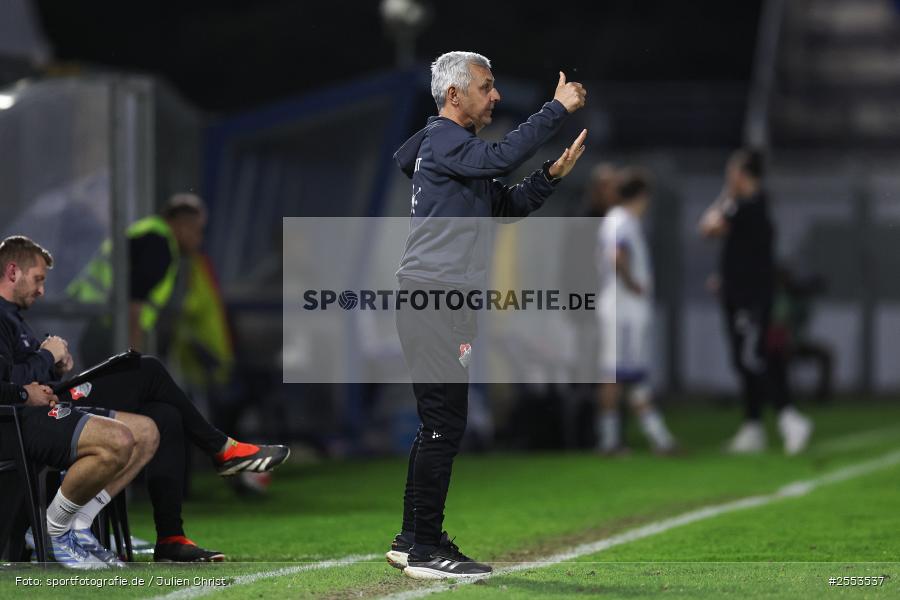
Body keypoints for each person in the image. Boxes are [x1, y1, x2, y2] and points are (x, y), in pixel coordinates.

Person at [386, 50, 587, 580]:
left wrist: (550, 175)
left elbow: (505, 205)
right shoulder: (447, 140)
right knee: (445, 425)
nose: (494, 96)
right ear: (455, 95)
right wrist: (555, 109)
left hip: (437, 299)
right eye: (486, 86)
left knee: (439, 425)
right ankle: (426, 549)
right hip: (434, 298)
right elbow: (501, 159)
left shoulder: (454, 151)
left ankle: (413, 539)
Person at [0, 236, 290, 561]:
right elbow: (10, 381)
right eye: (38, 280)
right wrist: (44, 359)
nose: (41, 290)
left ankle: (170, 536)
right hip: (31, 419)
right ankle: (221, 449)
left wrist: (53, 364)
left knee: (164, 415)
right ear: (12, 272)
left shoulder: (14, 318)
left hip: (48, 405)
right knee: (148, 369)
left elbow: (26, 375)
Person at [698, 148, 813, 455]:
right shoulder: (752, 207)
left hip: (750, 301)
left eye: (731, 172)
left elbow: (707, 227)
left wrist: (726, 193)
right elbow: (745, 254)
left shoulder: (748, 205)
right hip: (740, 296)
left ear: (741, 174)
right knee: (745, 360)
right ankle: (753, 427)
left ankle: (790, 417)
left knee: (754, 359)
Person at [0, 355, 159, 569]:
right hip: (12, 419)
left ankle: (79, 523)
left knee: (146, 433)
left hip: (28, 405)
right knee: (117, 440)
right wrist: (25, 391)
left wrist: (39, 384)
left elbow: (10, 371)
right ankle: (55, 529)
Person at [595, 168, 677, 455]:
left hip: (621, 309)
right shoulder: (623, 222)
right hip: (623, 310)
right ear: (642, 196)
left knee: (624, 374)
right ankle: (624, 440)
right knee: (618, 374)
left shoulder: (619, 220)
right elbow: (618, 256)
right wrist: (634, 285)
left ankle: (650, 438)